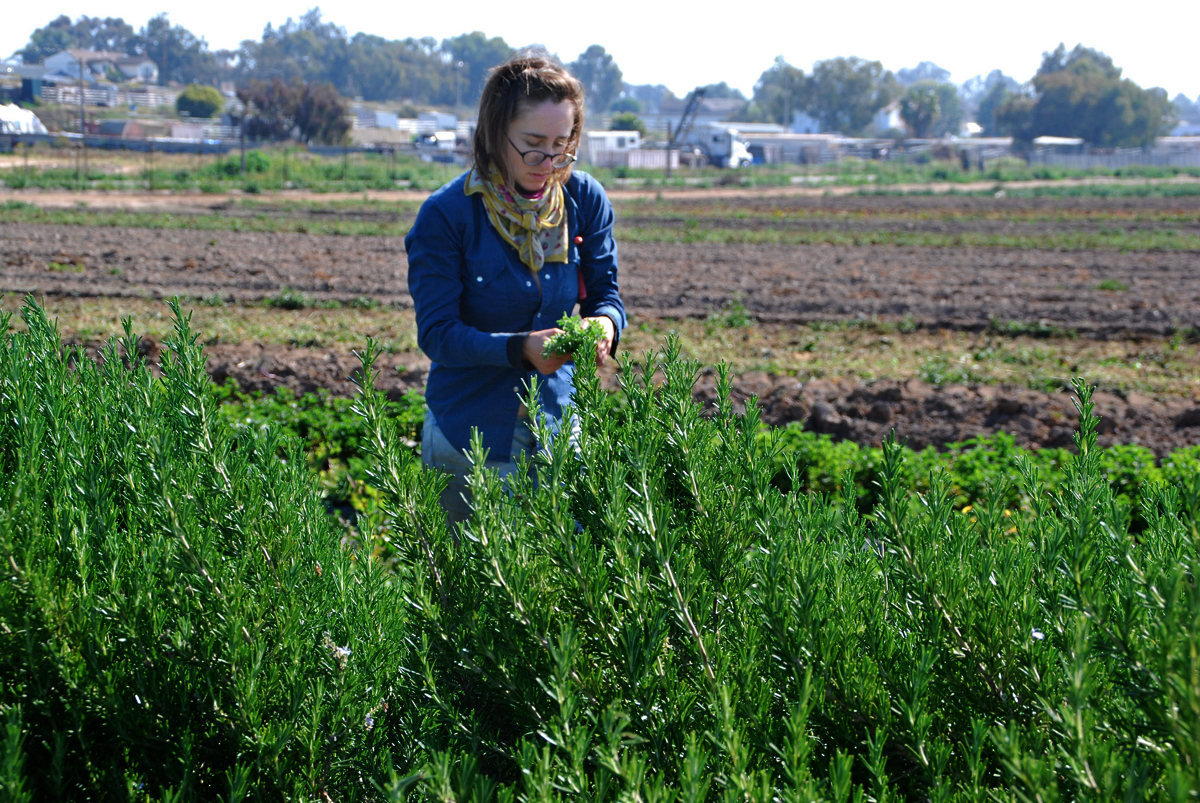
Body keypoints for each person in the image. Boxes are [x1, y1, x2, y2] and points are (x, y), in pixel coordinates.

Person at [404, 49, 626, 524]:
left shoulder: (584, 200)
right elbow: (437, 334)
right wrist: (520, 348)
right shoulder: (447, 215)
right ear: (495, 132)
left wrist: (606, 325)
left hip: (561, 428)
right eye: (532, 143)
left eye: (562, 145)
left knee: (567, 581)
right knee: (473, 588)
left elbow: (607, 293)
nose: (548, 160)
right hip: (470, 437)